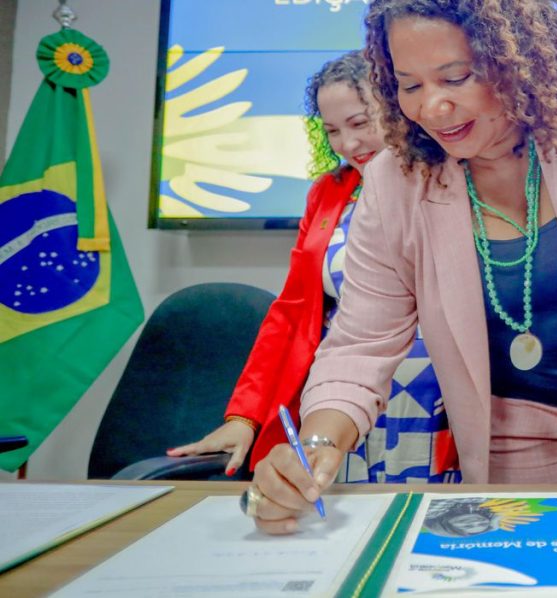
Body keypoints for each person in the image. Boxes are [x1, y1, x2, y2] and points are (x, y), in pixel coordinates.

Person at [247, 0, 557, 535]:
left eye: (457, 77)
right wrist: (315, 447)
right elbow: (362, 341)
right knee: (538, 561)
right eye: (410, 85)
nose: (433, 107)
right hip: (513, 425)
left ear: (518, 59)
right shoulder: (396, 178)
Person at [167, 51, 460, 484]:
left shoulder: (452, 179)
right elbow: (292, 313)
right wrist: (245, 417)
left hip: (439, 390)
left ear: (398, 110)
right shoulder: (329, 193)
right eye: (333, 131)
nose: (348, 144)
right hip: (346, 392)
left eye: (360, 123)